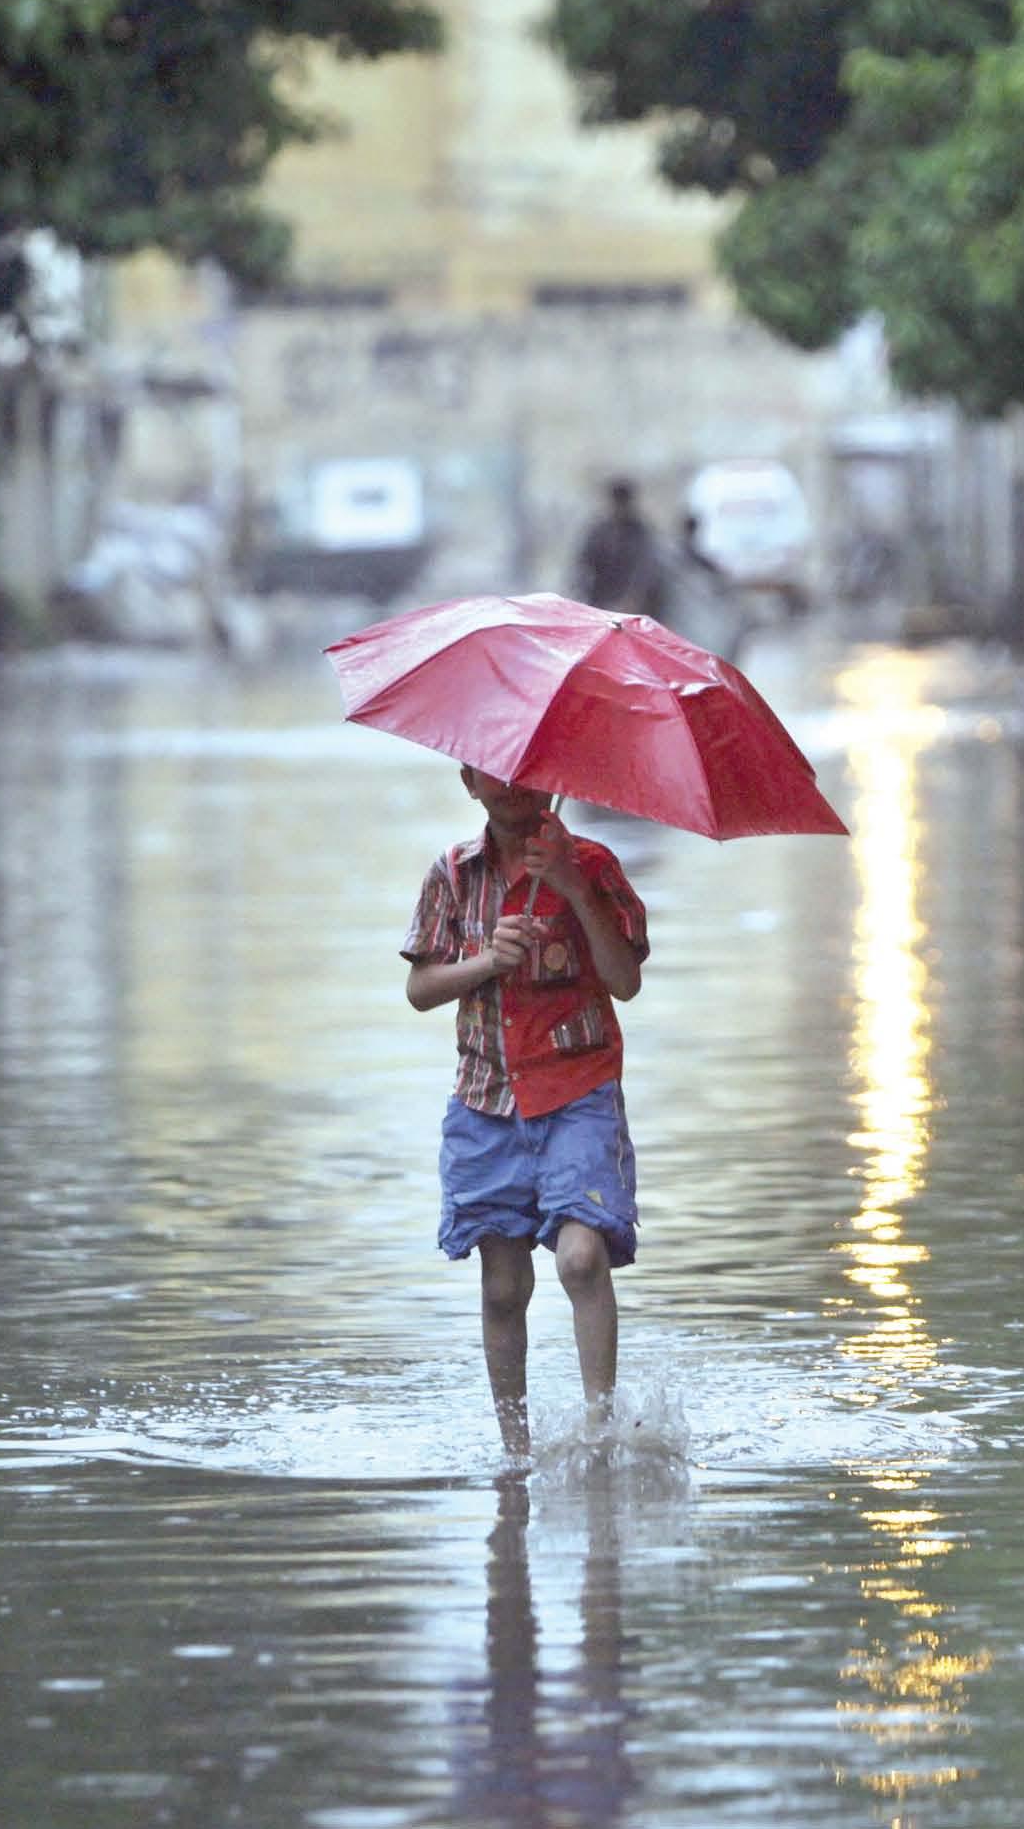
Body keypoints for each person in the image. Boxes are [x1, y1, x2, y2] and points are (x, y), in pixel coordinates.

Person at [401, 764, 651, 1459]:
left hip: (578, 1092)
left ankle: (601, 1430)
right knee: (504, 1284)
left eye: (530, 774)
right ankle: (516, 1450)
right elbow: (421, 987)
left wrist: (572, 886)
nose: (515, 788)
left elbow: (624, 980)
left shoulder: (594, 865)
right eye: (496, 777)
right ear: (467, 782)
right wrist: (485, 961)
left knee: (579, 1256)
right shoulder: (452, 875)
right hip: (487, 1099)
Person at [569, 478, 666, 618]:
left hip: (634, 606)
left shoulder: (640, 533)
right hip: (600, 600)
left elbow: (645, 570)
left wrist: (632, 599)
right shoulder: (599, 530)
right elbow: (583, 564)